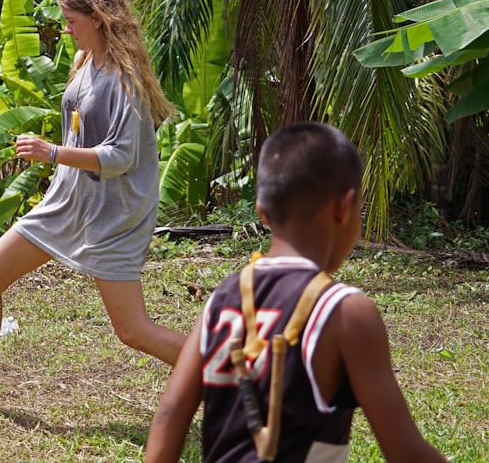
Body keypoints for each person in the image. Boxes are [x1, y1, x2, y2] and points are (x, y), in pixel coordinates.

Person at [0, 0, 186, 409]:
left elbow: (119, 157)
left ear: (97, 17)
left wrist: (52, 152)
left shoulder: (125, 78)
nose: (65, 29)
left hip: (114, 216)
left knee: (132, 330)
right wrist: (58, 162)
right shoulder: (84, 63)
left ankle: (227, 373)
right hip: (66, 205)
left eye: (71, 20)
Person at [145, 122, 447, 463]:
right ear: (344, 207)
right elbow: (405, 451)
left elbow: (170, 412)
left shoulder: (221, 300)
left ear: (262, 211)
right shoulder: (345, 312)